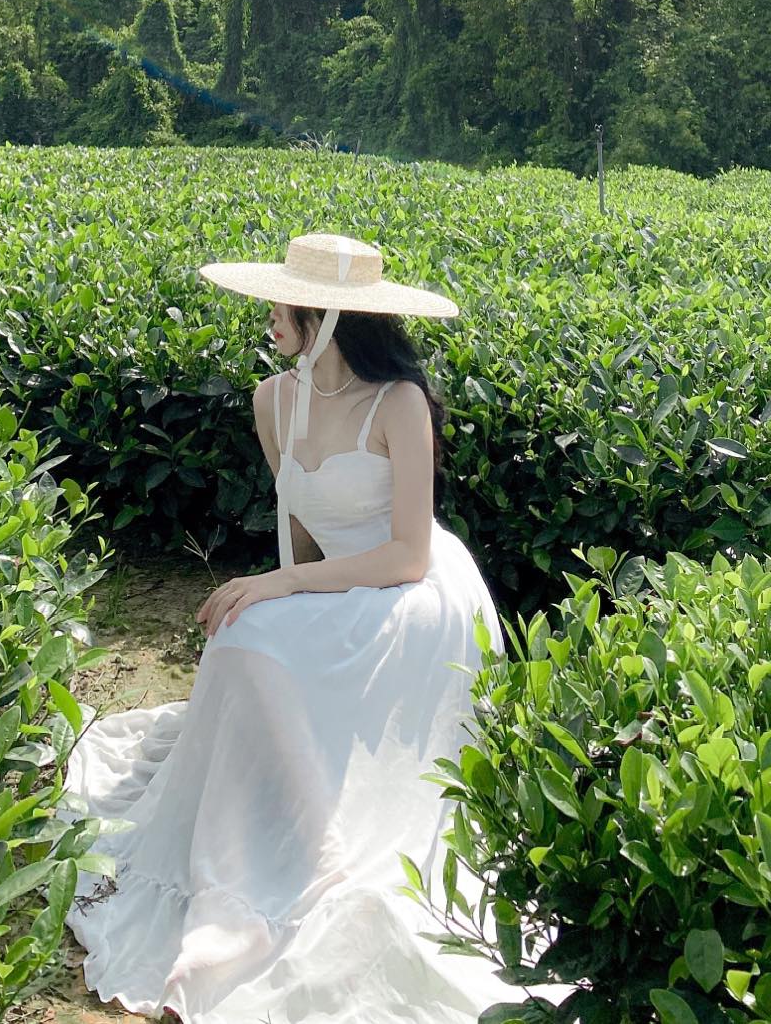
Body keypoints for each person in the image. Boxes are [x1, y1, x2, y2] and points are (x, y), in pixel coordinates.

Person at [59, 230, 571, 1022]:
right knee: (244, 641)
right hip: (336, 583)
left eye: (285, 305)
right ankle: (278, 833)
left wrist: (287, 587)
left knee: (254, 637)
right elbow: (297, 530)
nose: (270, 316)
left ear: (328, 319)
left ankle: (323, 847)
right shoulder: (274, 400)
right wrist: (282, 603)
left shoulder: (399, 402)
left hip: (419, 595)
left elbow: (407, 553)